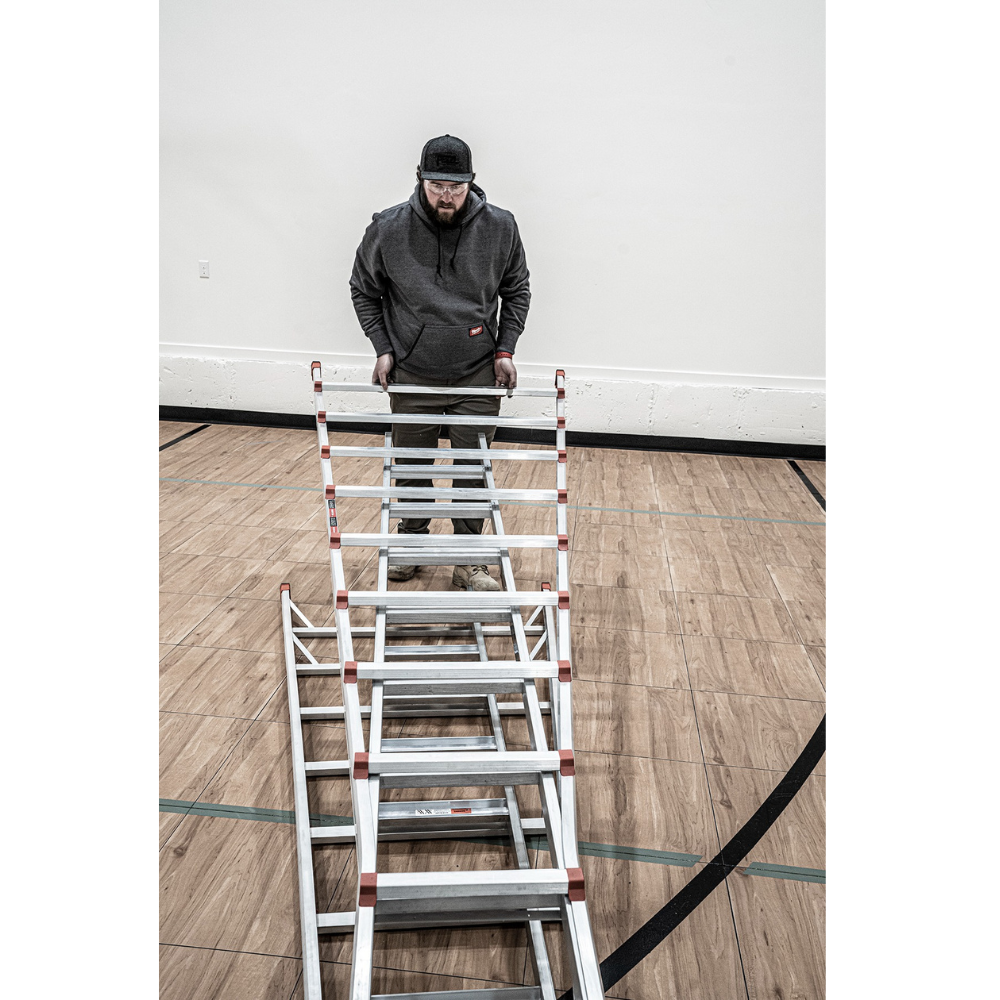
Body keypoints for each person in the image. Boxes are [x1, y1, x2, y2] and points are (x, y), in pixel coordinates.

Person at [350, 135, 531, 591]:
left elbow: (517, 290)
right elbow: (363, 289)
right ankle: (411, 544)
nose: (446, 196)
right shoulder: (387, 228)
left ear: (471, 182)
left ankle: (469, 561)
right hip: (413, 369)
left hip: (478, 369)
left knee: (473, 470)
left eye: (456, 187)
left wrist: (505, 349)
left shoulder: (501, 227)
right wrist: (383, 347)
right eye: (436, 186)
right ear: (420, 179)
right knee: (413, 466)